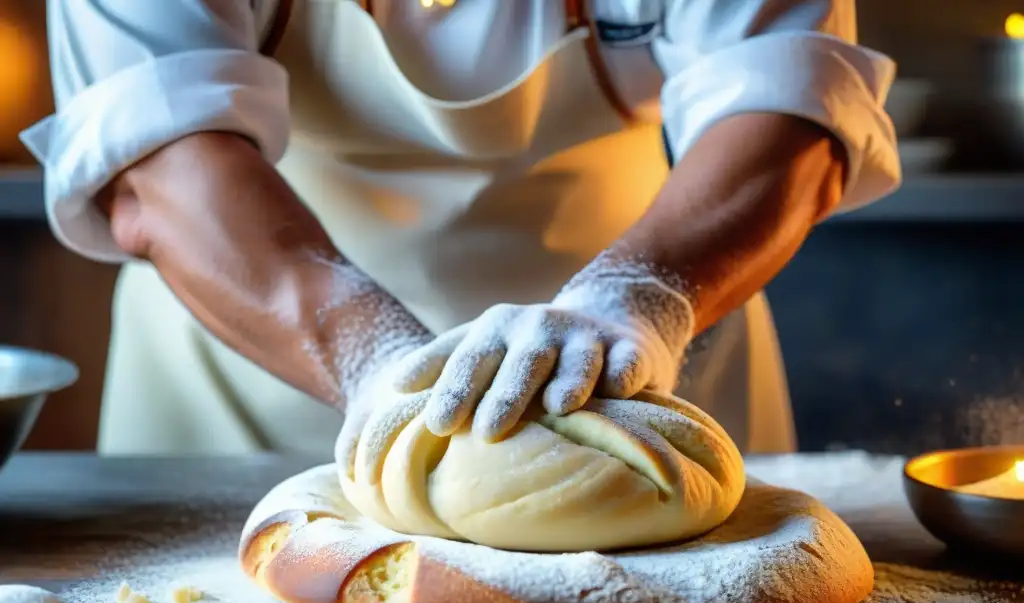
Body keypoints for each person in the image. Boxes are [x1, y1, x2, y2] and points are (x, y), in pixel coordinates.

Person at [24, 0, 899, 470]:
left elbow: (787, 113)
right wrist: (378, 362)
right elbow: (165, 165)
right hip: (243, 379)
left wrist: (640, 299)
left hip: (638, 372)